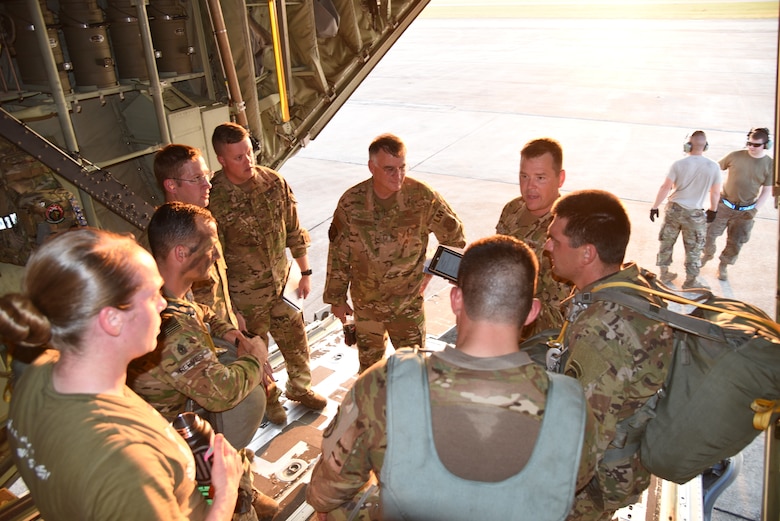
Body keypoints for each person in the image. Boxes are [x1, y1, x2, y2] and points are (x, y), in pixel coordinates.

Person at [306, 235, 596, 520]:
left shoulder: (384, 384)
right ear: (532, 312)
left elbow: (323, 493)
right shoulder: (571, 405)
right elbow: (576, 482)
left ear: (456, 299)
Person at [1, 227, 244, 520]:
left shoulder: (39, 373)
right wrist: (226, 493)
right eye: (153, 293)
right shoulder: (126, 463)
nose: (163, 303)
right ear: (112, 319)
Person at [129, 202, 279, 518]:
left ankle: (245, 490)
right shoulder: (169, 325)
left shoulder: (168, 287)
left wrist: (233, 335)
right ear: (181, 253)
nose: (216, 254)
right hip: (178, 445)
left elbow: (203, 313)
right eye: (210, 247)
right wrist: (256, 357)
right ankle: (240, 507)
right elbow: (223, 392)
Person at [543, 190, 674, 521]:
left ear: (587, 254)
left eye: (555, 241)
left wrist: (536, 493)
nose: (547, 247)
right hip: (623, 460)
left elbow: (582, 447)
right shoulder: (631, 286)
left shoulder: (601, 333)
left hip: (592, 490)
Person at [209, 122, 326, 424]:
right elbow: (214, 264)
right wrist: (232, 312)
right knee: (256, 356)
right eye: (238, 157)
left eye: (249, 152)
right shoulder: (214, 201)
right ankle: (270, 400)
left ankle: (300, 389)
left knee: (297, 344)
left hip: (283, 287)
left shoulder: (274, 183)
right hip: (246, 299)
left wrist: (305, 272)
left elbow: (293, 230)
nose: (248, 161)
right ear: (221, 159)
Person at [324, 133, 466, 373]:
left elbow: (455, 239)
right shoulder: (352, 202)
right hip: (366, 307)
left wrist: (428, 270)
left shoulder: (422, 197)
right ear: (372, 167)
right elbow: (339, 254)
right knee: (369, 372)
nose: (398, 175)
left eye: (402, 167)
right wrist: (336, 299)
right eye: (389, 169)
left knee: (412, 372)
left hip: (407, 307)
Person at [153, 143, 243, 330]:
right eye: (196, 178)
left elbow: (219, 284)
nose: (207, 184)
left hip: (225, 331)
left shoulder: (203, 224)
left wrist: (235, 319)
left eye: (206, 175)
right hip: (195, 342)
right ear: (171, 185)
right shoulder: (160, 241)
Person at [496, 137, 572, 336]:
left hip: (538, 341)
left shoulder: (567, 230)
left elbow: (560, 315)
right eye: (524, 176)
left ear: (560, 179)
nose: (529, 187)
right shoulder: (512, 209)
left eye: (540, 178)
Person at [649, 130, 721, 289]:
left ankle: (664, 273)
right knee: (694, 248)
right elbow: (715, 192)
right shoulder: (713, 166)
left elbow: (665, 187)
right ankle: (690, 281)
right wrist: (713, 210)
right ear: (705, 146)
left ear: (688, 145)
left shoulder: (678, 164)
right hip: (695, 214)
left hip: (674, 210)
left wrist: (655, 207)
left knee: (666, 242)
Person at [702, 127, 774, 281]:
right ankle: (707, 254)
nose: (751, 147)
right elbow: (714, 169)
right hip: (724, 205)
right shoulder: (735, 156)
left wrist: (754, 210)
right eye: (749, 143)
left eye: (756, 145)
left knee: (736, 242)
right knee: (708, 233)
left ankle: (723, 265)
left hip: (745, 211)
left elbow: (766, 191)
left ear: (766, 145)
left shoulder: (769, 164)